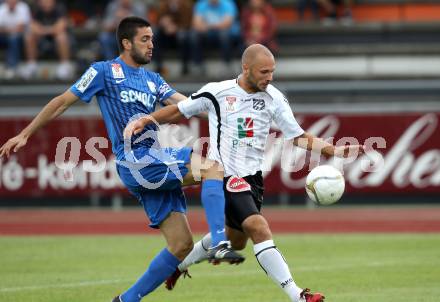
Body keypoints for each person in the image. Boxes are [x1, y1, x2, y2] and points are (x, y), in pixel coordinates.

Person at [0, 16, 244, 302]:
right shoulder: (103, 71)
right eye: (145, 39)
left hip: (149, 163)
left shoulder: (153, 79)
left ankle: (126, 300)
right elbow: (62, 101)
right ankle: (219, 242)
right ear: (126, 43)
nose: (152, 45)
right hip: (136, 159)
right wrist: (26, 133)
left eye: (152, 39)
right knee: (211, 167)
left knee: (180, 245)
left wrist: (228, 113)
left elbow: (187, 104)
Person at [124, 44, 366, 302]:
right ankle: (298, 296)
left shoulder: (274, 97)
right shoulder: (218, 92)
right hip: (224, 176)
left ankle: (178, 266)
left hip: (253, 180)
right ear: (245, 68)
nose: (269, 77)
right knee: (258, 227)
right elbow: (178, 110)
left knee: (237, 241)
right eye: (264, 72)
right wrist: (146, 121)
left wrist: (334, 151)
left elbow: (299, 137)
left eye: (272, 71)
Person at [20, 0, 74, 80]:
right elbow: (32, 27)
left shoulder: (60, 8)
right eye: (43, 1)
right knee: (29, 36)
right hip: (41, 38)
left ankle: (64, 66)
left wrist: (45, 30)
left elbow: (61, 27)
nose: (46, 3)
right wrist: (48, 30)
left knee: (62, 36)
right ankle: (31, 65)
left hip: (56, 38)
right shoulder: (35, 8)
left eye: (48, 1)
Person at [189, 0, 241, 75]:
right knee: (194, 35)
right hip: (208, 34)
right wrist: (208, 27)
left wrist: (209, 26)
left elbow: (227, 23)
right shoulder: (201, 4)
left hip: (226, 34)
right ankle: (198, 65)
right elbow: (196, 23)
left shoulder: (228, 3)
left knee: (224, 34)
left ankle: (227, 65)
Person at [154, 0, 193, 75]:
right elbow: (158, 21)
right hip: (165, 34)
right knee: (155, 34)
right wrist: (164, 24)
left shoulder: (186, 6)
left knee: (182, 35)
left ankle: (185, 66)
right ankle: (158, 65)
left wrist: (176, 27)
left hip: (180, 33)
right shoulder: (163, 6)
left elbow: (188, 22)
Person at [0, 0, 31, 79]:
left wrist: (7, 30)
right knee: (11, 38)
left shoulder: (23, 7)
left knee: (13, 39)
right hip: (5, 36)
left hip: (20, 37)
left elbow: (21, 28)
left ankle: (12, 68)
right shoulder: (2, 8)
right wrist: (11, 30)